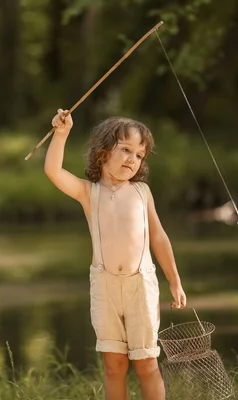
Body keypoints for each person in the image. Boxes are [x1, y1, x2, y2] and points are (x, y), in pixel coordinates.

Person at [43, 109, 187, 400]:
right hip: (105, 286)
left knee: (146, 363)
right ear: (103, 152)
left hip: (140, 286)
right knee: (114, 365)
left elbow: (158, 236)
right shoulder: (89, 193)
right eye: (125, 150)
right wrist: (61, 134)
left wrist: (174, 280)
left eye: (139, 155)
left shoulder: (141, 192)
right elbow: (53, 172)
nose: (132, 159)